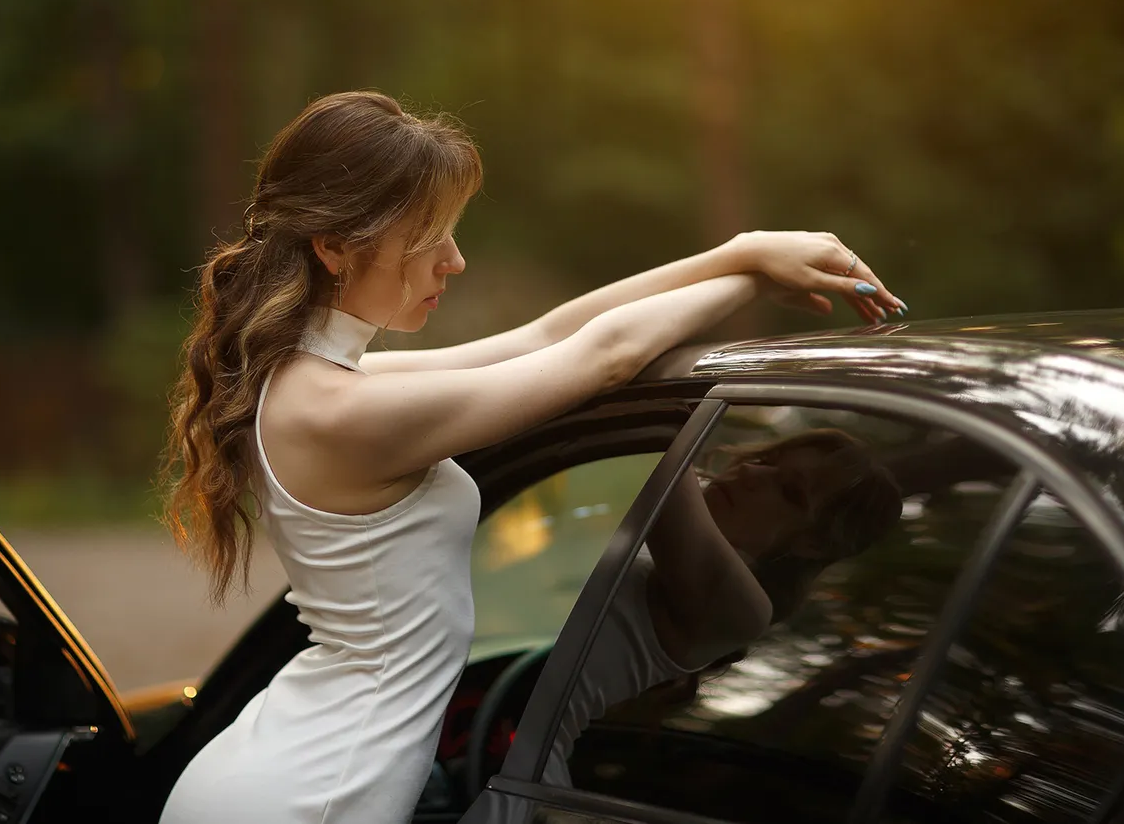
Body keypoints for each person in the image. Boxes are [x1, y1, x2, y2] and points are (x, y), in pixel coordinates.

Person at [156, 90, 906, 824]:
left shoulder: (317, 383)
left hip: (276, 767)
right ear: (334, 247)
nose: (454, 260)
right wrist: (754, 277)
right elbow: (606, 357)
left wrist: (737, 253)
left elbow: (545, 338)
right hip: (309, 797)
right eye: (430, 234)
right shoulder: (341, 410)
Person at [544, 429, 904, 787]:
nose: (750, 472)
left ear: (812, 543)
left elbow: (656, 441)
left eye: (789, 491)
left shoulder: (743, 610)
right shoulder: (630, 521)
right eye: (764, 461)